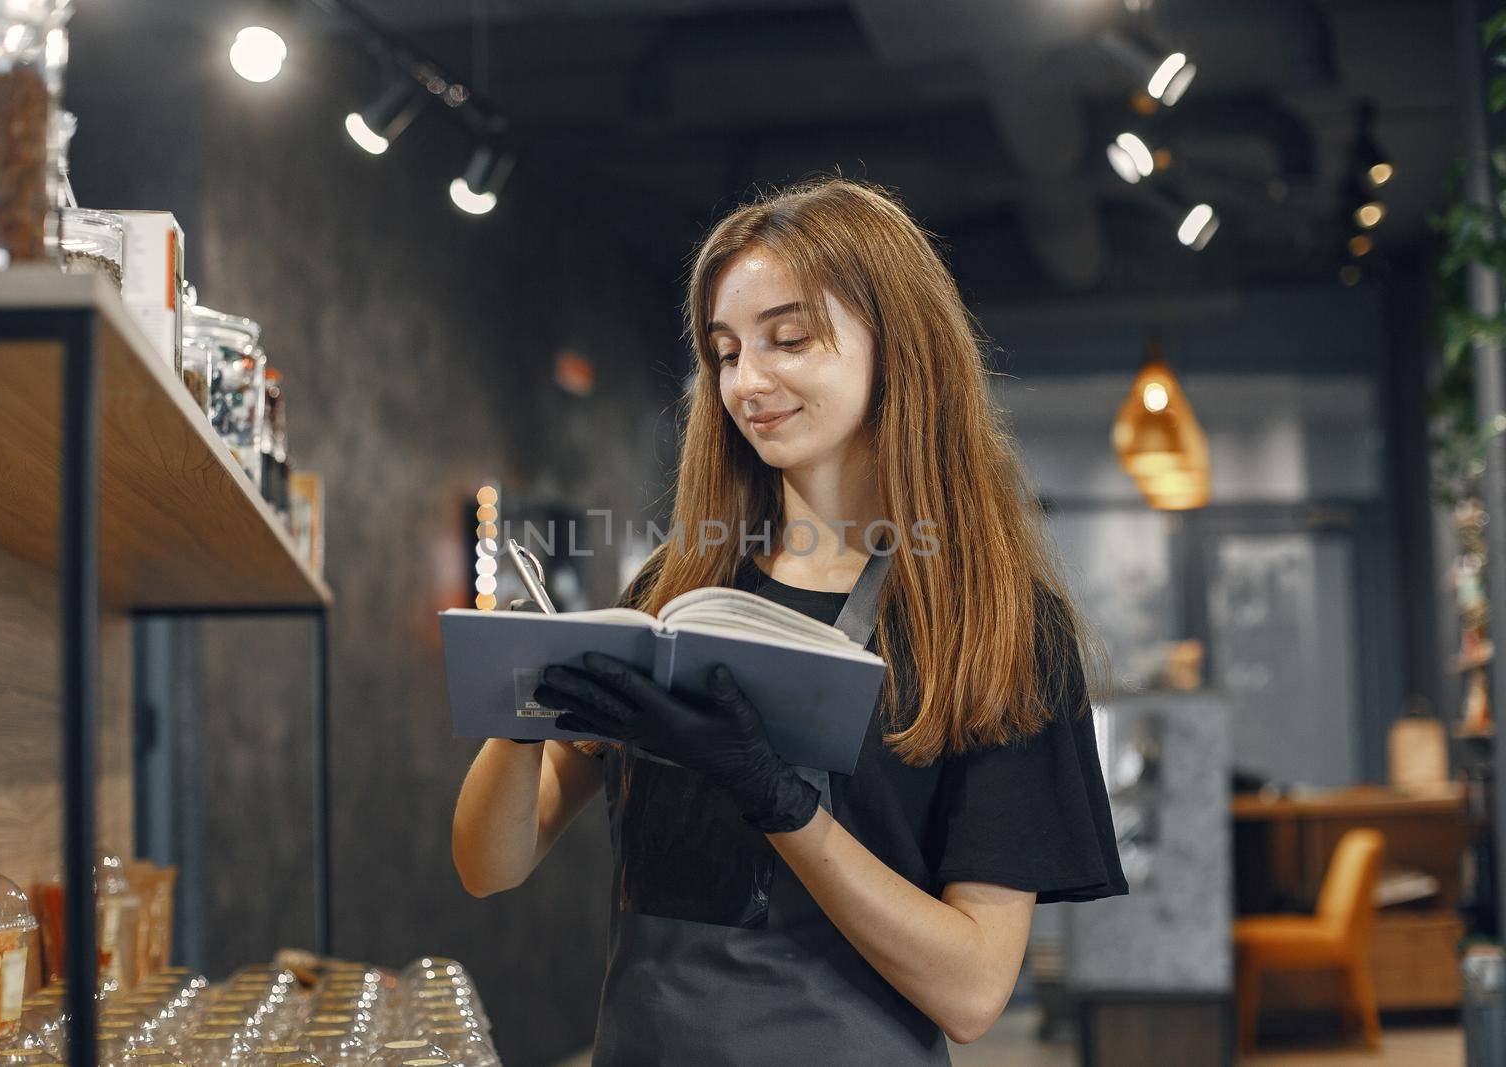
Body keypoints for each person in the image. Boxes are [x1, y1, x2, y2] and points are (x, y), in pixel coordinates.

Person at [451, 175, 1128, 1065]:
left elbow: (971, 991)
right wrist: (524, 705)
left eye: (790, 340)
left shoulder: (995, 628)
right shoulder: (673, 591)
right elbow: (488, 866)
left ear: (899, 344)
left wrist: (779, 801)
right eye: (725, 352)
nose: (746, 382)